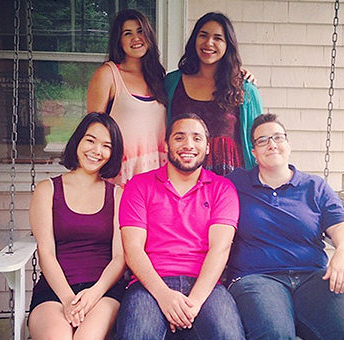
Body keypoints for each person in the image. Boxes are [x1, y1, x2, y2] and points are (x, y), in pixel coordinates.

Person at [226, 113, 344, 340]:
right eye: (262, 140)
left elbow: (343, 225)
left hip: (312, 277)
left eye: (277, 137)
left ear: (288, 144)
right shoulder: (237, 183)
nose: (271, 144)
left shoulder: (314, 186)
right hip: (257, 277)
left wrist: (343, 250)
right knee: (275, 334)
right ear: (253, 152)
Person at [116, 113, 245, 340]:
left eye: (197, 138)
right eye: (179, 138)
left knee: (228, 335)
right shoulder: (139, 185)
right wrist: (164, 295)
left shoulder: (222, 188)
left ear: (206, 148)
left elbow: (220, 249)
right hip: (149, 284)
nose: (188, 145)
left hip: (205, 285)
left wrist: (193, 303)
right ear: (166, 145)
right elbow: (133, 249)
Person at [28, 113, 126, 340]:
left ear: (113, 153)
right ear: (78, 141)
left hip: (103, 292)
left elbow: (119, 257)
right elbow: (46, 253)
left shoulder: (117, 195)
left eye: (106, 146)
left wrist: (93, 294)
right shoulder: (47, 190)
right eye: (90, 140)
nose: (96, 151)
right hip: (55, 290)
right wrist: (68, 300)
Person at [165, 12, 263, 176]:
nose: (209, 43)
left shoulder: (245, 90)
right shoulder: (171, 83)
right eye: (203, 35)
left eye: (218, 38)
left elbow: (257, 140)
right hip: (182, 176)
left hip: (230, 180)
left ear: (228, 45)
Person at [87, 9, 167, 186]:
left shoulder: (160, 77)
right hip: (122, 174)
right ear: (119, 41)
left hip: (159, 173)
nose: (136, 38)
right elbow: (92, 131)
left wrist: (238, 73)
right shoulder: (108, 74)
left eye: (140, 31)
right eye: (127, 33)